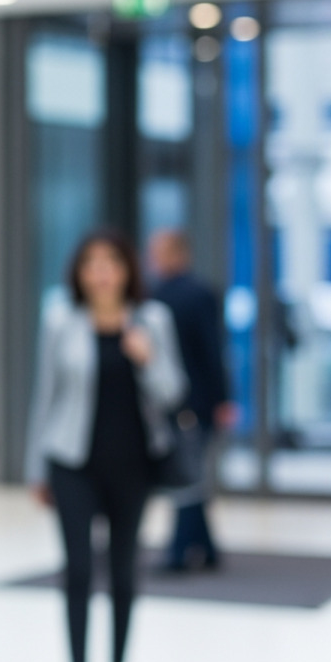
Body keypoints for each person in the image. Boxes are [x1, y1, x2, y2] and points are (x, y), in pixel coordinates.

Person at [26, 229, 186, 662]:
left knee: (122, 572)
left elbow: (174, 391)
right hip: (71, 461)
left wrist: (147, 359)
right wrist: (35, 468)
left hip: (132, 464)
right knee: (76, 570)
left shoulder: (153, 321)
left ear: (127, 270)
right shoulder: (60, 322)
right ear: (78, 272)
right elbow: (43, 397)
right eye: (90, 262)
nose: (100, 271)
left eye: (110, 261)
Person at [147, 230, 236, 572]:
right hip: (189, 398)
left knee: (188, 473)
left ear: (177, 254)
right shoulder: (184, 293)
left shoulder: (167, 297)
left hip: (188, 401)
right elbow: (216, 349)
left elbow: (211, 350)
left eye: (157, 252)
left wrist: (222, 399)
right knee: (193, 471)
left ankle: (180, 552)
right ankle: (207, 548)